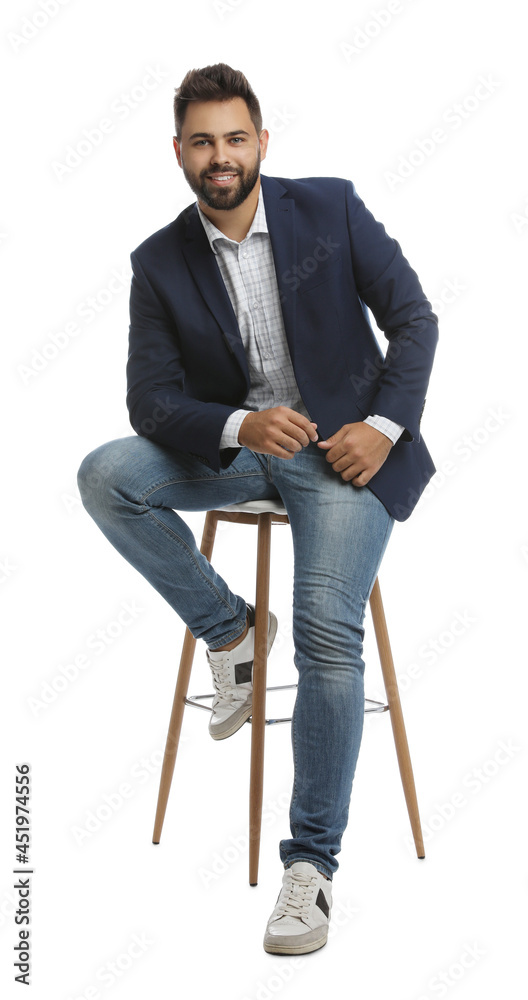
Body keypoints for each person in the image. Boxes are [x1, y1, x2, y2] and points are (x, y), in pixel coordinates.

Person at [77, 62, 438, 955]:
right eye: (202, 141)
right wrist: (242, 423)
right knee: (104, 473)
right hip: (240, 457)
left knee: (325, 628)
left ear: (262, 143)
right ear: (178, 155)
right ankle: (232, 629)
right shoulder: (158, 262)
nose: (220, 155)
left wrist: (384, 427)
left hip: (343, 456)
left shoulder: (331, 208)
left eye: (235, 137)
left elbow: (417, 320)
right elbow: (150, 404)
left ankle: (309, 870)